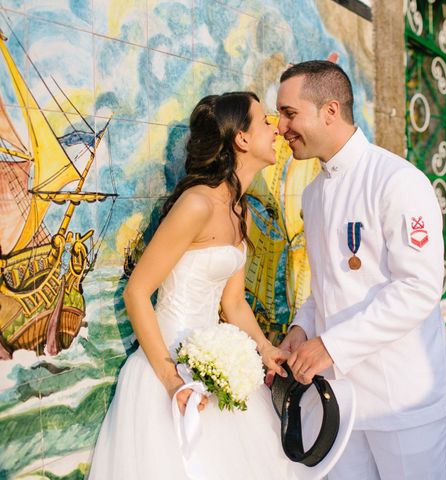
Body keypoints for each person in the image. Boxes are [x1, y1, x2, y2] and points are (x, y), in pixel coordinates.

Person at [89, 93, 302, 480]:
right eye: (265, 121)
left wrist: (266, 348)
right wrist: (173, 382)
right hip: (167, 368)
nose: (275, 129)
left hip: (214, 366)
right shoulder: (197, 205)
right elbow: (136, 292)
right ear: (241, 138)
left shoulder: (242, 211)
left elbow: (233, 303)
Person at [275, 61, 446, 479]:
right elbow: (327, 284)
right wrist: (302, 328)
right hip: (339, 399)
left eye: (289, 113)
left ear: (330, 111)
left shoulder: (397, 180)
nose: (281, 126)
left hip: (401, 398)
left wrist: (331, 346)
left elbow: (418, 288)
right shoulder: (314, 193)